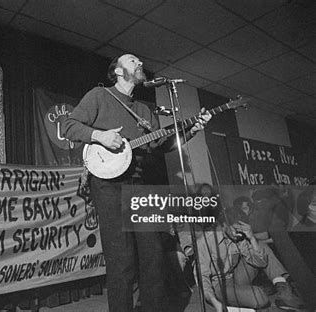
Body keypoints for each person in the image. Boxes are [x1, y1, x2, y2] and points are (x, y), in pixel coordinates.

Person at [62, 53, 211, 312]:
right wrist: (99, 136)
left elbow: (158, 144)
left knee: (153, 256)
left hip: (140, 184)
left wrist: (191, 130)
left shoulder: (144, 110)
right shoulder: (99, 96)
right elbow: (69, 126)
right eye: (133, 61)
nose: (140, 63)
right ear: (118, 71)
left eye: (140, 61)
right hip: (108, 185)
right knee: (121, 259)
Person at [195, 217, 304, 311]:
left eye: (241, 229)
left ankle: (284, 291)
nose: (238, 233)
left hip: (236, 277)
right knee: (259, 298)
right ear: (224, 225)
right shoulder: (205, 241)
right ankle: (249, 293)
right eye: (235, 228)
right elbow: (202, 276)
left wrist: (251, 237)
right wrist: (214, 301)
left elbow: (261, 263)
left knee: (260, 246)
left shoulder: (239, 236)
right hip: (219, 285)